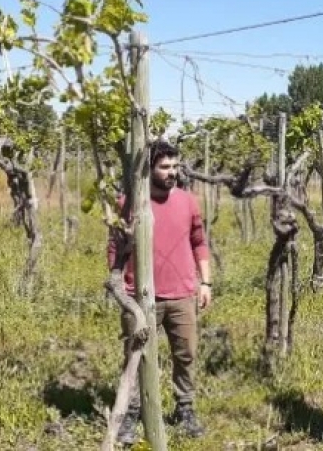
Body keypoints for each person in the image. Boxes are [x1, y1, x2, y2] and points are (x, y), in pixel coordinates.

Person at [107, 140, 212, 444]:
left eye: (175, 166)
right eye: (165, 167)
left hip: (182, 294)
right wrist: (122, 291)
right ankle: (131, 414)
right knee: (135, 357)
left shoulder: (188, 201)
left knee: (186, 353)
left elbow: (199, 241)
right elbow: (114, 247)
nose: (172, 173)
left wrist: (205, 283)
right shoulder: (128, 203)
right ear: (149, 169)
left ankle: (185, 408)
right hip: (140, 298)